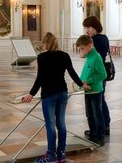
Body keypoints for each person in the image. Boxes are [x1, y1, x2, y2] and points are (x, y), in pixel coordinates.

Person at [22, 32, 84, 163]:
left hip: (49, 95)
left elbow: (40, 78)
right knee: (61, 123)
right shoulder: (64, 55)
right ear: (56, 42)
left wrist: (31, 94)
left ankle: (51, 156)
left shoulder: (42, 57)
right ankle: (61, 154)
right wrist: (81, 85)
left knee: (50, 125)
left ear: (45, 43)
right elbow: (72, 73)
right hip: (62, 93)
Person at [82, 16, 112, 140]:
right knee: (101, 98)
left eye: (88, 27)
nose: (86, 30)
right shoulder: (104, 38)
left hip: (95, 74)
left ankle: (99, 128)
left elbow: (87, 55)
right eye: (85, 28)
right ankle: (105, 125)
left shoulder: (94, 40)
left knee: (96, 101)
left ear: (94, 27)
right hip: (102, 72)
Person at [76, 34, 108, 146]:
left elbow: (103, 74)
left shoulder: (96, 57)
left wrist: (88, 81)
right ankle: (93, 133)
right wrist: (80, 82)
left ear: (89, 45)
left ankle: (100, 136)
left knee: (97, 114)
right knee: (89, 113)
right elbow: (85, 72)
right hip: (88, 91)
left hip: (95, 91)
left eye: (82, 49)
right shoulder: (89, 56)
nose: (82, 51)